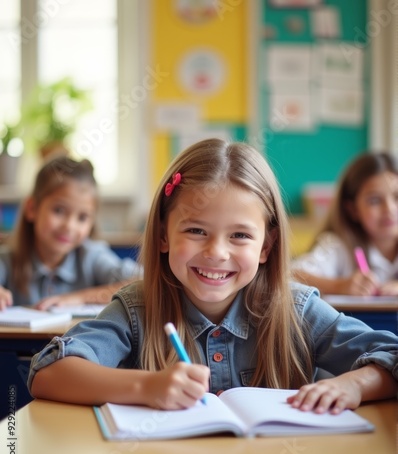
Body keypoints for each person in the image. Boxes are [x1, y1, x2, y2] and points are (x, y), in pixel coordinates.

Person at [28, 139, 397, 414]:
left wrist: (355, 384)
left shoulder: (296, 310)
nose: (217, 252)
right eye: (196, 231)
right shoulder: (137, 309)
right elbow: (49, 371)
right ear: (162, 236)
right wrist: (146, 386)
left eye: (239, 235)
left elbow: (391, 354)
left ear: (266, 247)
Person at [0, 156, 142, 310]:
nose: (69, 226)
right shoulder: (7, 261)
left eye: (82, 217)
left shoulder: (91, 257)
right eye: (59, 210)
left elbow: (144, 282)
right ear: (32, 208)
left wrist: (79, 298)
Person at [292, 152, 398, 296]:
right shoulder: (337, 246)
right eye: (374, 200)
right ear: (353, 210)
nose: (390, 209)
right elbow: (290, 275)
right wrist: (339, 286)